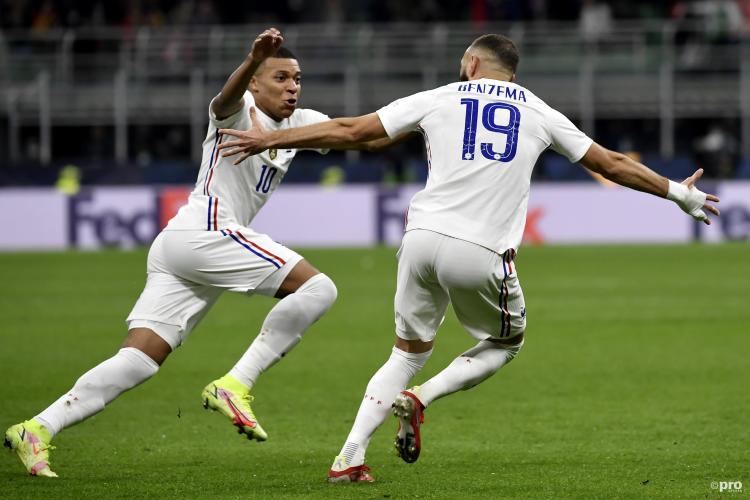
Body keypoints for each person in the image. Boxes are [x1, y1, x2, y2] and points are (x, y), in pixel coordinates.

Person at [215, 33, 721, 483]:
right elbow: (609, 163)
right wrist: (679, 194)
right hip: (479, 249)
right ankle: (422, 399)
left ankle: (349, 457)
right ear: (512, 74)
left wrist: (272, 137)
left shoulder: (440, 98)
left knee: (405, 353)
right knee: (506, 341)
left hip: (419, 240)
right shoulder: (538, 110)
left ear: (473, 65)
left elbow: (353, 131)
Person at [5, 28, 348, 478]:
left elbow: (358, 134)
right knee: (319, 288)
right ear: (255, 83)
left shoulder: (302, 121)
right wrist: (249, 59)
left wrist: (416, 119)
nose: (292, 87)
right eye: (280, 77)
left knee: (140, 359)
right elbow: (222, 100)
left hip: (184, 245)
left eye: (297, 79)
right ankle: (236, 384)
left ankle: (37, 428)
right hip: (208, 230)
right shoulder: (238, 111)